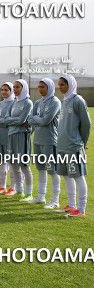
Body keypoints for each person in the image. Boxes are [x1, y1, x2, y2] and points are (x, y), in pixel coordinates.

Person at [56, 74, 90, 217]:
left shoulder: (78, 100)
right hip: (62, 146)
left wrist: (82, 141)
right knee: (66, 175)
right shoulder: (64, 101)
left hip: (74, 146)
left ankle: (81, 209)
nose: (60, 87)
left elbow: (86, 124)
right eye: (59, 84)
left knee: (78, 176)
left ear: (70, 85)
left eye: (63, 84)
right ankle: (71, 205)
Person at [27, 78, 61, 207]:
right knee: (41, 169)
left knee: (53, 170)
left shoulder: (55, 102)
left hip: (50, 140)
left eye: (43, 87)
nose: (40, 89)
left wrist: (36, 118)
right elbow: (30, 120)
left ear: (50, 88)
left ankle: (55, 201)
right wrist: (36, 119)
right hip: (37, 140)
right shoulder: (37, 102)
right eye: (39, 87)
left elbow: (45, 120)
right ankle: (41, 197)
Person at [0, 79, 33, 200]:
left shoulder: (28, 103)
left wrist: (12, 121)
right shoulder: (14, 102)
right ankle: (19, 191)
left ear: (23, 88)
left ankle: (29, 193)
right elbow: (6, 118)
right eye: (14, 87)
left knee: (24, 165)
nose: (15, 89)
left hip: (22, 136)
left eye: (17, 87)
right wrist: (15, 121)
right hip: (11, 135)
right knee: (13, 164)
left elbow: (21, 120)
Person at [0, 82, 16, 195]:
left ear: (11, 91)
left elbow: (11, 121)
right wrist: (4, 122)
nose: (4, 92)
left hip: (10, 138)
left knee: (12, 163)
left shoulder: (15, 103)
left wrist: (1, 121)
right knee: (1, 163)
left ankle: (13, 188)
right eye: (2, 90)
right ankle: (2, 187)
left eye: (6, 90)